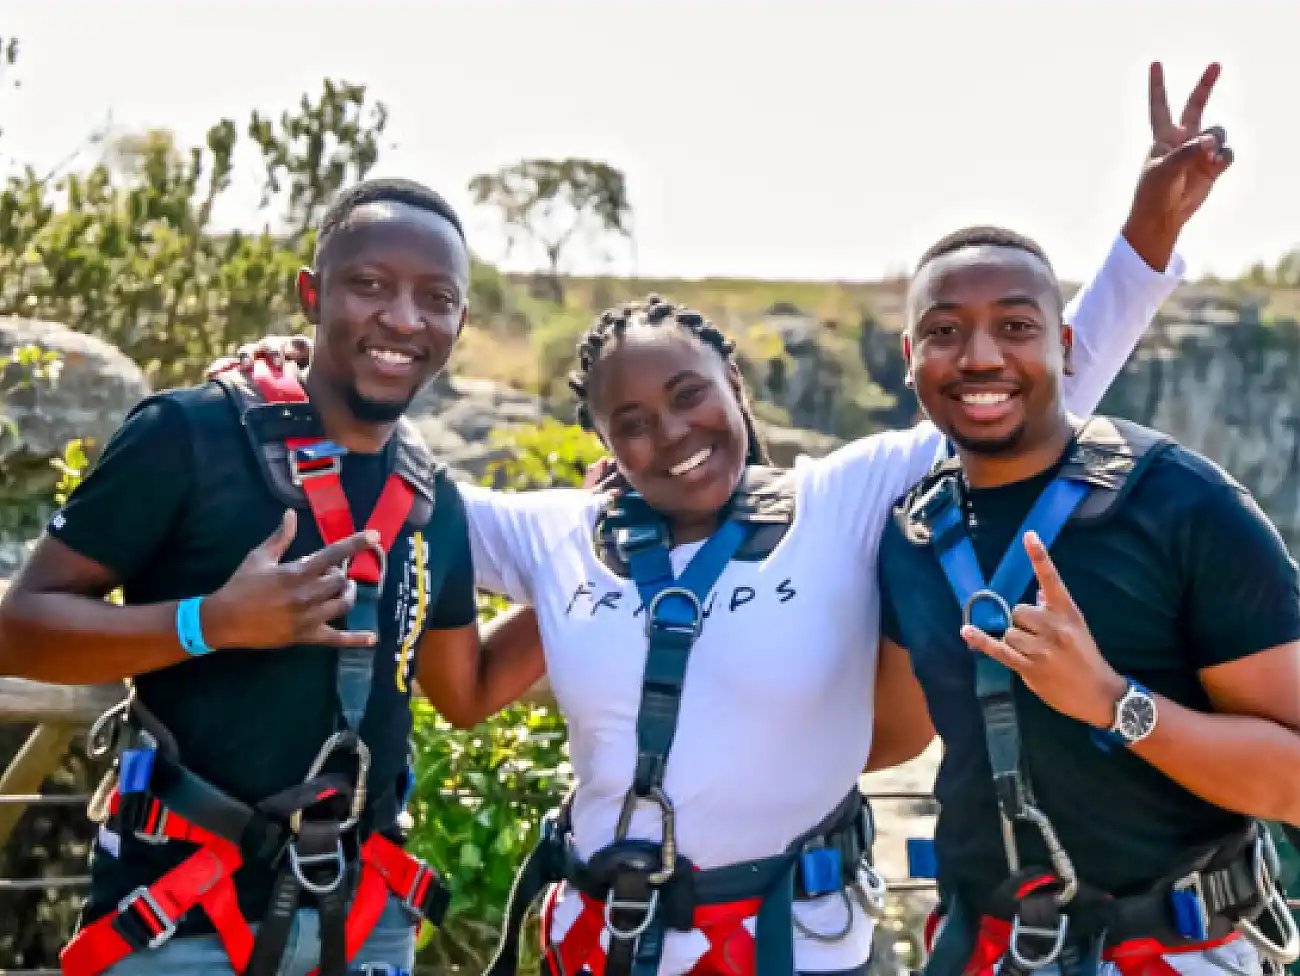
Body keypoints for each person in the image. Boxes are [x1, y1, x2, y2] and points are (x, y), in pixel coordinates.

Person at [221, 60, 1232, 976]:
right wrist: (294, 379)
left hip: (805, 947)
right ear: (603, 443)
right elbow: (384, 480)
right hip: (605, 947)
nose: (674, 435)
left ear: (734, 384)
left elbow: (1021, 400)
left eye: (691, 397)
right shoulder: (553, 534)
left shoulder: (842, 500)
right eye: (633, 422)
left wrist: (1148, 237)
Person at [0, 179, 541, 976]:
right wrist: (209, 624)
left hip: (359, 928)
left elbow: (463, 694)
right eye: (369, 286)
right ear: (311, 295)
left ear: (459, 322)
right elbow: (19, 630)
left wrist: (605, 572)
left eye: (436, 298)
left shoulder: (435, 502)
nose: (402, 317)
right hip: (175, 925)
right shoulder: (188, 436)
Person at [876, 220, 1300, 976]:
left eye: (1015, 326)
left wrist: (1113, 703)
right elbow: (892, 734)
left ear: (1065, 347)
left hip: (1175, 950)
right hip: (984, 950)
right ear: (911, 360)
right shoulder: (911, 537)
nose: (979, 356)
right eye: (944, 331)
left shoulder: (1182, 505)